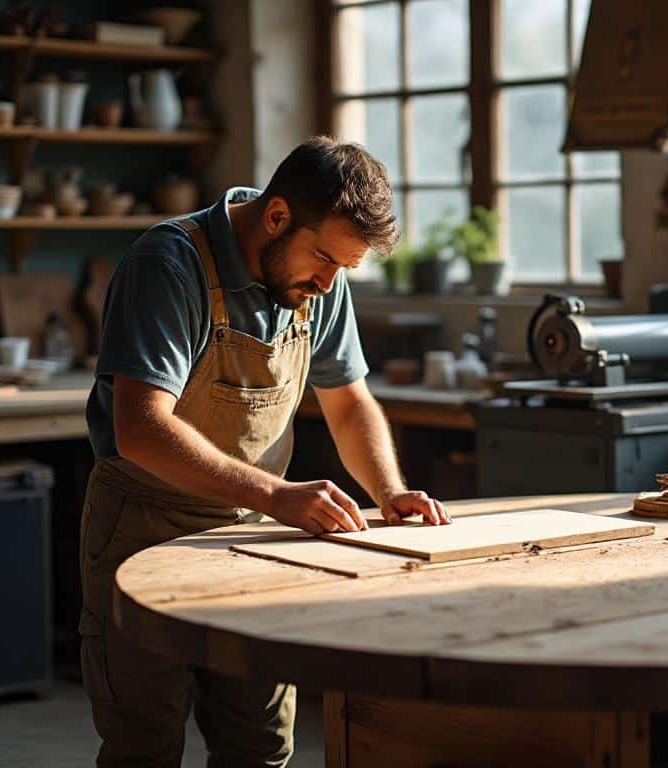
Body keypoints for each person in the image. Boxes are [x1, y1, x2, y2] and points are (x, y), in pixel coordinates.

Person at [79, 135, 450, 767]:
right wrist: (276, 494)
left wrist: (387, 490)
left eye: (345, 269)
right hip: (143, 530)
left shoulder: (318, 282)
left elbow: (349, 402)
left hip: (252, 537)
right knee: (144, 745)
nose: (329, 282)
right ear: (276, 217)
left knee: (260, 746)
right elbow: (139, 427)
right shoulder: (170, 264)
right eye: (325, 260)